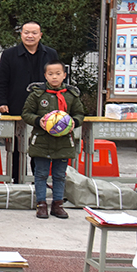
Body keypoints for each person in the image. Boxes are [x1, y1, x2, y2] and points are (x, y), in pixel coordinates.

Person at [22, 60, 85, 219]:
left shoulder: (71, 95)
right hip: (41, 141)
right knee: (41, 174)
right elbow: (26, 113)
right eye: (50, 74)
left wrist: (74, 122)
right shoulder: (37, 94)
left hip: (63, 142)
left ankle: (58, 204)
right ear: (45, 75)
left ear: (64, 75)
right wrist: (39, 121)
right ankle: (41, 204)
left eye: (58, 73)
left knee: (60, 175)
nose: (54, 77)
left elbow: (80, 114)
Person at [0, 21, 58, 116]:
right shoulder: (9, 54)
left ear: (40, 35)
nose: (30, 36)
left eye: (34, 33)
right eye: (26, 33)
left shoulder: (51, 54)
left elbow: (58, 80)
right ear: (21, 34)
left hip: (45, 108)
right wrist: (2, 102)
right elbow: (2, 81)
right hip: (16, 106)